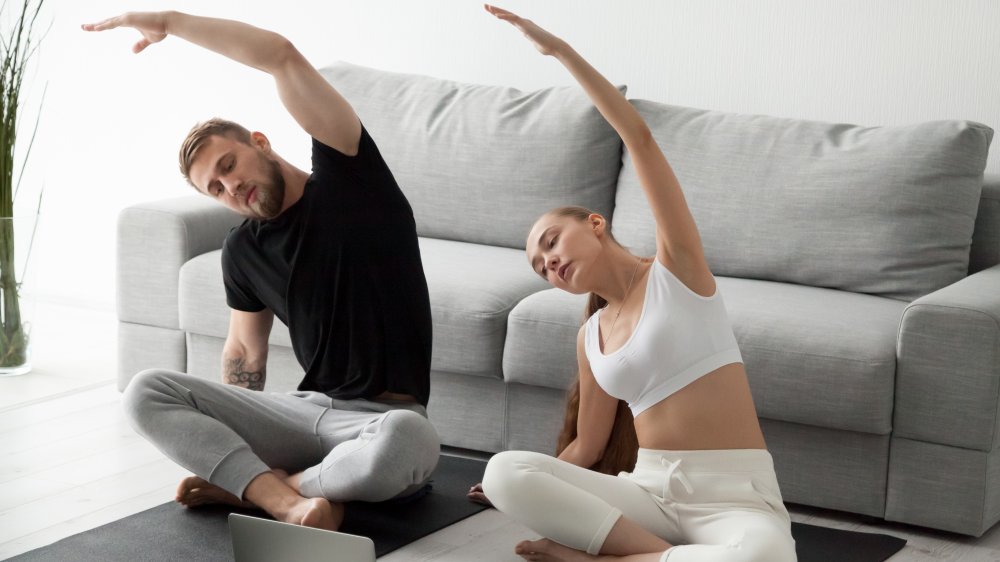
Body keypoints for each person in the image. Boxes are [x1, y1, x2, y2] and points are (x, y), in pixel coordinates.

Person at [83, 11, 440, 532]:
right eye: (215, 189)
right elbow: (243, 353)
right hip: (301, 413)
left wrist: (169, 22)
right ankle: (290, 497)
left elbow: (280, 55)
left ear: (259, 141)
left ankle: (268, 489)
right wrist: (236, 423)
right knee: (144, 390)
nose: (230, 189)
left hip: (381, 421)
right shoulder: (241, 252)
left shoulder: (350, 175)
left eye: (228, 166)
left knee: (409, 441)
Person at [471, 6, 797, 561]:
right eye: (539, 265)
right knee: (505, 470)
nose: (548, 263)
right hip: (648, 496)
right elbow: (590, 445)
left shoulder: (678, 272)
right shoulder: (591, 335)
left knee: (766, 559)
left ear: (595, 223)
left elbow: (639, 138)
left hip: (735, 500)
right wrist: (527, 487)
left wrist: (560, 53)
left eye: (551, 241)